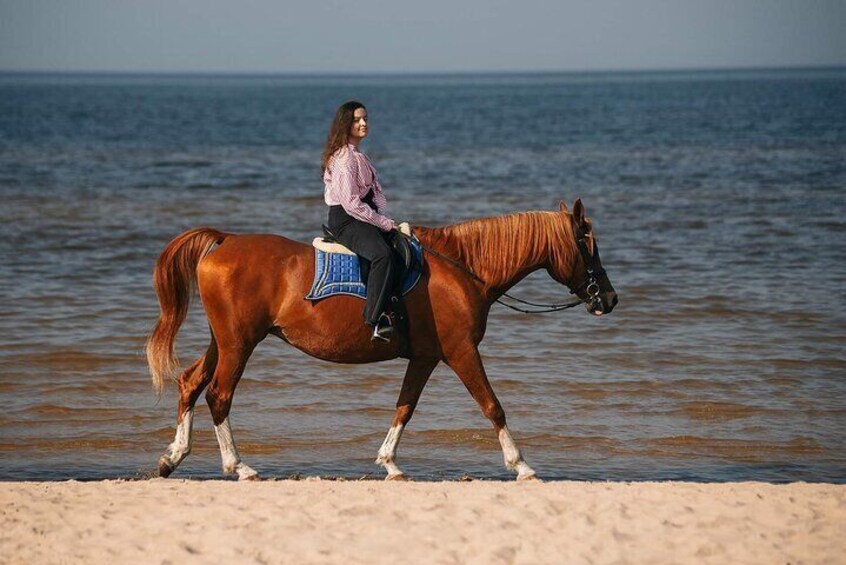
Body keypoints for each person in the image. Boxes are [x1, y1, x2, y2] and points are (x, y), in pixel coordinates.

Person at [322, 100, 400, 342]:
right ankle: (375, 320)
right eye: (357, 120)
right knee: (382, 255)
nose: (364, 123)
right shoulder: (345, 159)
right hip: (347, 220)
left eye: (365, 118)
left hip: (359, 216)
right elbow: (351, 204)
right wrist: (383, 222)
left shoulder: (357, 154)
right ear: (346, 124)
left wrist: (382, 217)